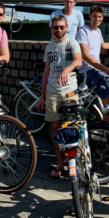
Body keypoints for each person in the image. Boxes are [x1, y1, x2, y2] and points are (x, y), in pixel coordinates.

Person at [37, 15, 82, 178]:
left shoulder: (72, 43)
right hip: (52, 91)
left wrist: (66, 70)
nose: (59, 30)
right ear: (51, 28)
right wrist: (42, 96)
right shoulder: (49, 47)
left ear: (66, 27)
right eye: (56, 27)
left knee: (71, 127)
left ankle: (73, 162)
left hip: (70, 90)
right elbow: (46, 72)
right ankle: (60, 162)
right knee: (55, 127)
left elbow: (78, 61)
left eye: (62, 27)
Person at [75, 5, 109, 121]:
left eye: (100, 17)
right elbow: (86, 56)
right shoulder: (83, 32)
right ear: (90, 16)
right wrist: (105, 69)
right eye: (95, 16)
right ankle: (108, 129)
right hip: (87, 71)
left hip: (98, 70)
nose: (97, 19)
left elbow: (103, 45)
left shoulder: (98, 31)